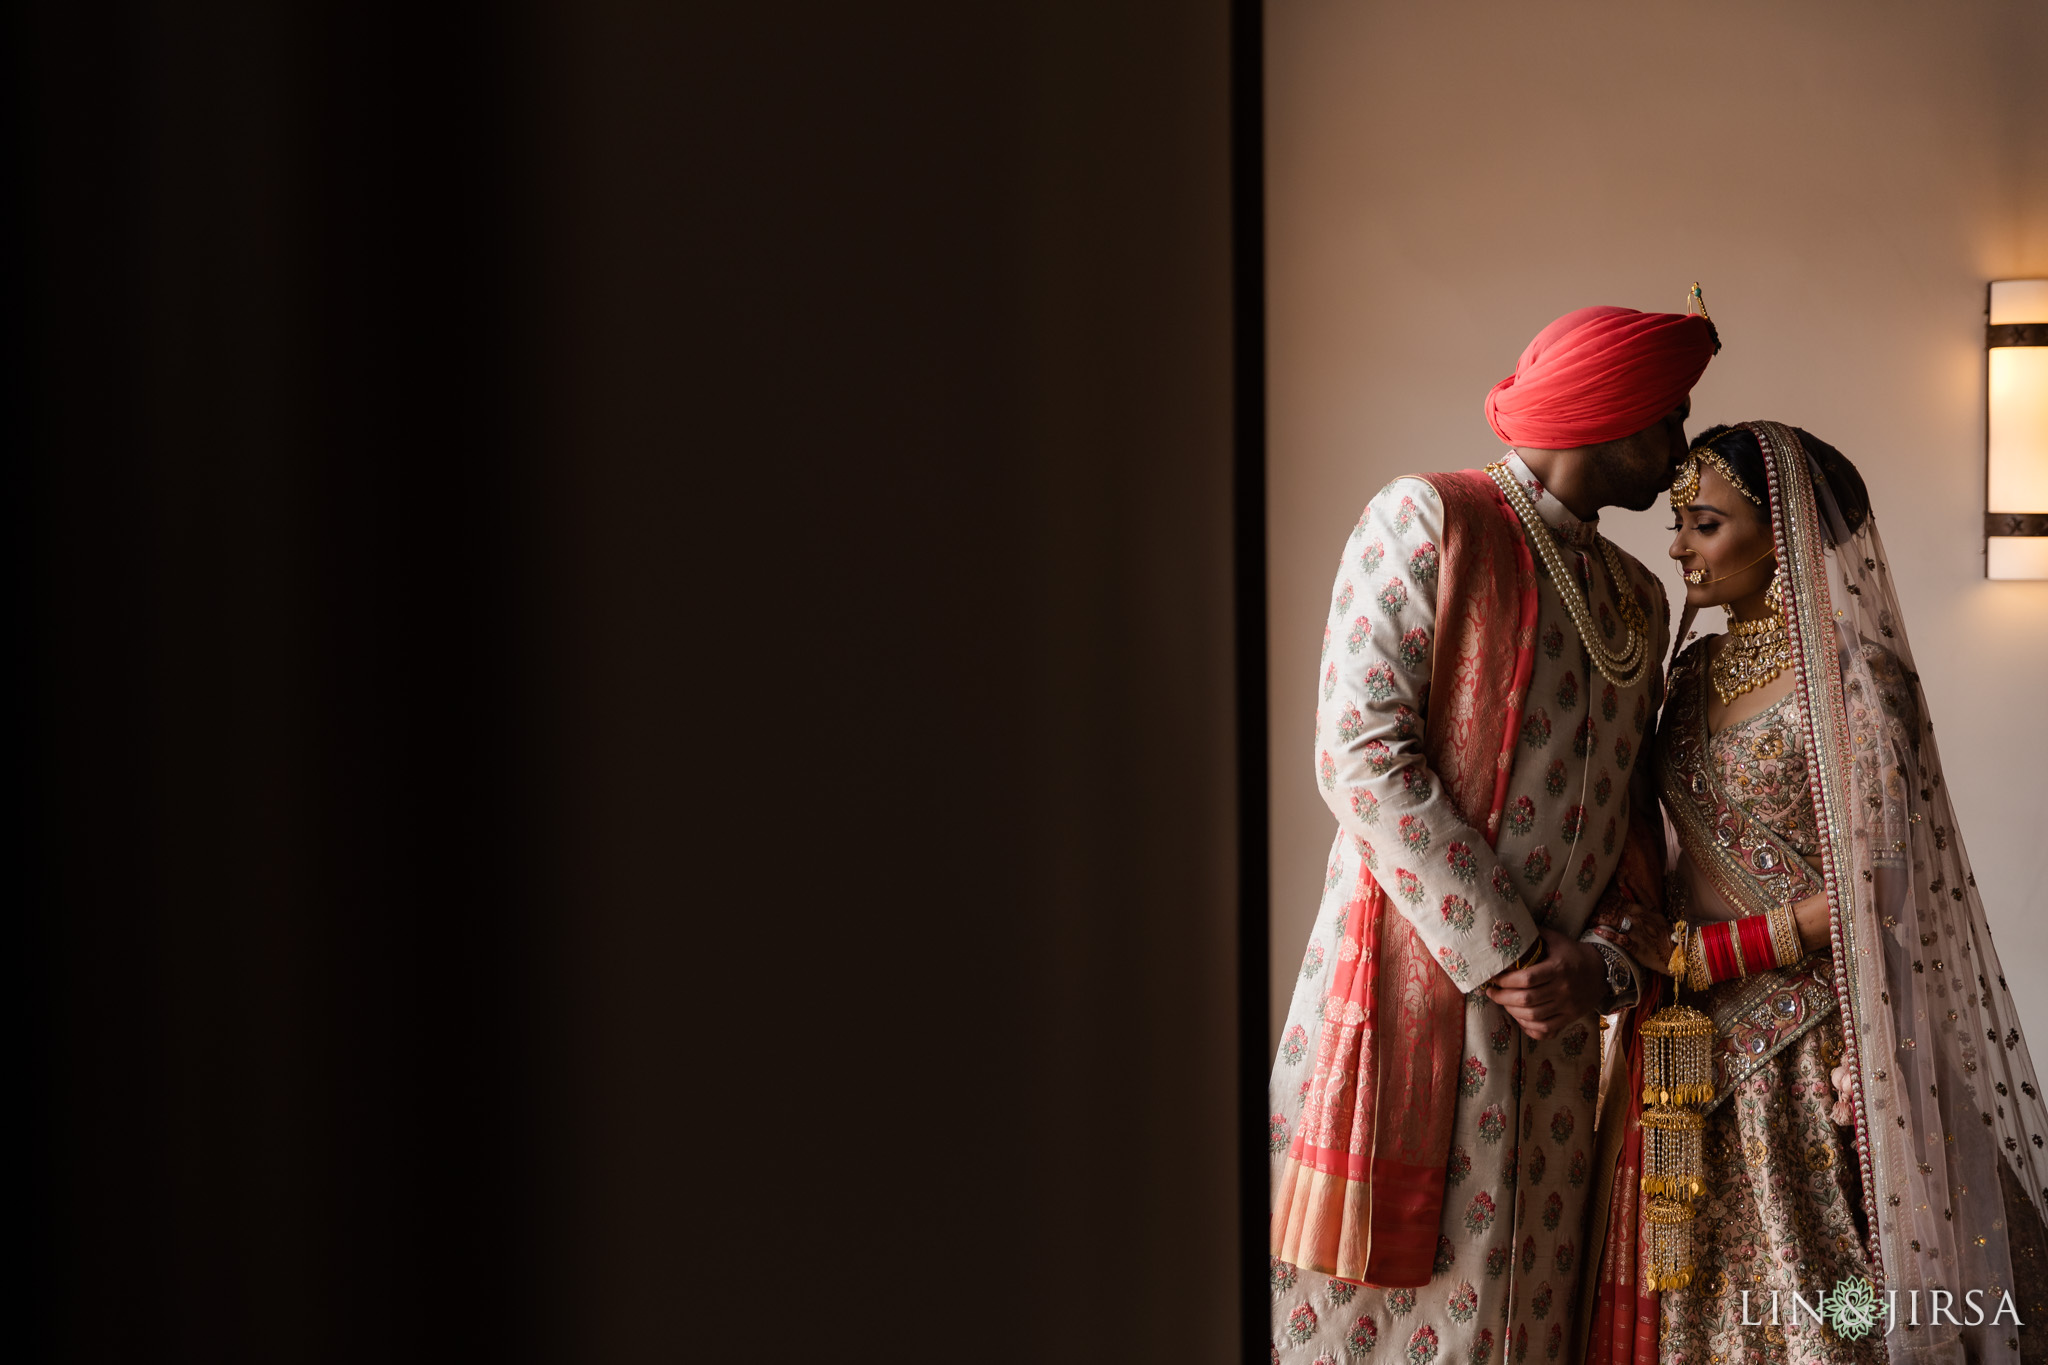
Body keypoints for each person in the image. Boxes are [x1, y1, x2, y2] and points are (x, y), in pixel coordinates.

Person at [1268, 299, 1718, 1364]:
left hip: (1554, 1036)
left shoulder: (1636, 597)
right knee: (1382, 1321)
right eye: (1666, 421)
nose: (1677, 449)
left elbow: (1627, 820)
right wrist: (1508, 956)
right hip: (1409, 995)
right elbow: (1359, 755)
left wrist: (1602, 966)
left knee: (1526, 1319)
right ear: (1607, 416)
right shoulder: (1428, 516)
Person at [1583, 421, 2048, 1365]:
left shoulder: (1856, 682)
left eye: (1704, 523)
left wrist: (1703, 952)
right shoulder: (1693, 670)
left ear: (1786, 530)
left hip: (1818, 1054)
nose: (1677, 547)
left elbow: (1879, 895)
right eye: (1679, 522)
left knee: (1829, 1322)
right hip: (1688, 1061)